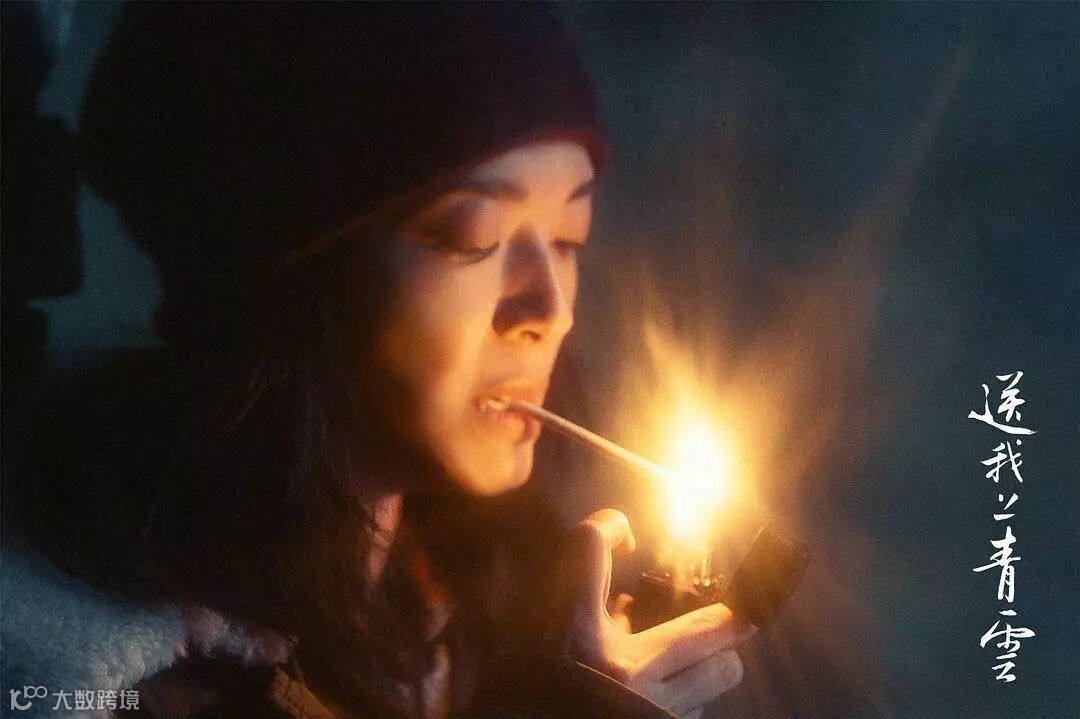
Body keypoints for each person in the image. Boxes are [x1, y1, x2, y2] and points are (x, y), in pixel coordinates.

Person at [1, 5, 751, 718]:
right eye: (472, 238)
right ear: (292, 273)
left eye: (568, 237)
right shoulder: (116, 680)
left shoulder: (496, 603)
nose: (550, 309)